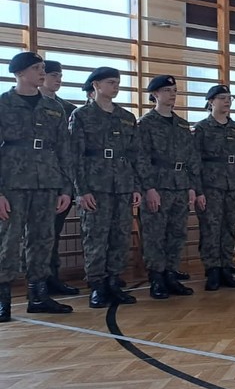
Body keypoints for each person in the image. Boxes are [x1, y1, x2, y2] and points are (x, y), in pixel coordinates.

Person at [0, 52, 74, 320]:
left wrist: (66, 188)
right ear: (19, 73)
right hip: (13, 183)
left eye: (43, 68)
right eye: (36, 68)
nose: (42, 72)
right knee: (8, 241)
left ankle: (39, 295)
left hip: (47, 181)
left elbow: (64, 150)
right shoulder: (3, 104)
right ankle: (3, 299)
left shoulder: (54, 108)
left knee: (43, 239)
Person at [68, 67, 141, 309]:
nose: (116, 86)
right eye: (110, 82)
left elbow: (135, 155)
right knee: (95, 236)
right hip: (95, 185)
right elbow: (75, 156)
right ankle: (97, 285)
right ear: (96, 85)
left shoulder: (126, 117)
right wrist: (81, 190)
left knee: (120, 236)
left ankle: (113, 281)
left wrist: (135, 187)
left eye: (117, 82)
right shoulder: (82, 115)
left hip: (122, 184)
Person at [134, 75, 200, 299]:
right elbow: (141, 158)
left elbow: (191, 157)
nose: (172, 94)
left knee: (177, 233)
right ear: (155, 94)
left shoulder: (181, 124)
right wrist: (149, 188)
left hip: (180, 184)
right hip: (158, 185)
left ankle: (171, 274)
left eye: (174, 90)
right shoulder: (146, 123)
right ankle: (157, 278)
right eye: (167, 90)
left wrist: (191, 186)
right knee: (154, 234)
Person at [193, 84, 235, 291]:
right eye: (222, 98)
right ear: (211, 102)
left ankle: (226, 267)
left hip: (234, 184)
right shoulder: (202, 128)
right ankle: (212, 270)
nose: (227, 101)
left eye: (229, 98)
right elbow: (194, 161)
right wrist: (198, 190)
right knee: (211, 228)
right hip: (211, 185)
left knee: (229, 227)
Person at [38, 59, 81, 296]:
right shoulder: (26, 103)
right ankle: (37, 281)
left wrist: (69, 185)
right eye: (53, 75)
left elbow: (71, 150)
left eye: (60, 75)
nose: (58, 79)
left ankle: (52, 277)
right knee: (35, 235)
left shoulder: (68, 109)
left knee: (54, 233)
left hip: (60, 180)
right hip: (32, 179)